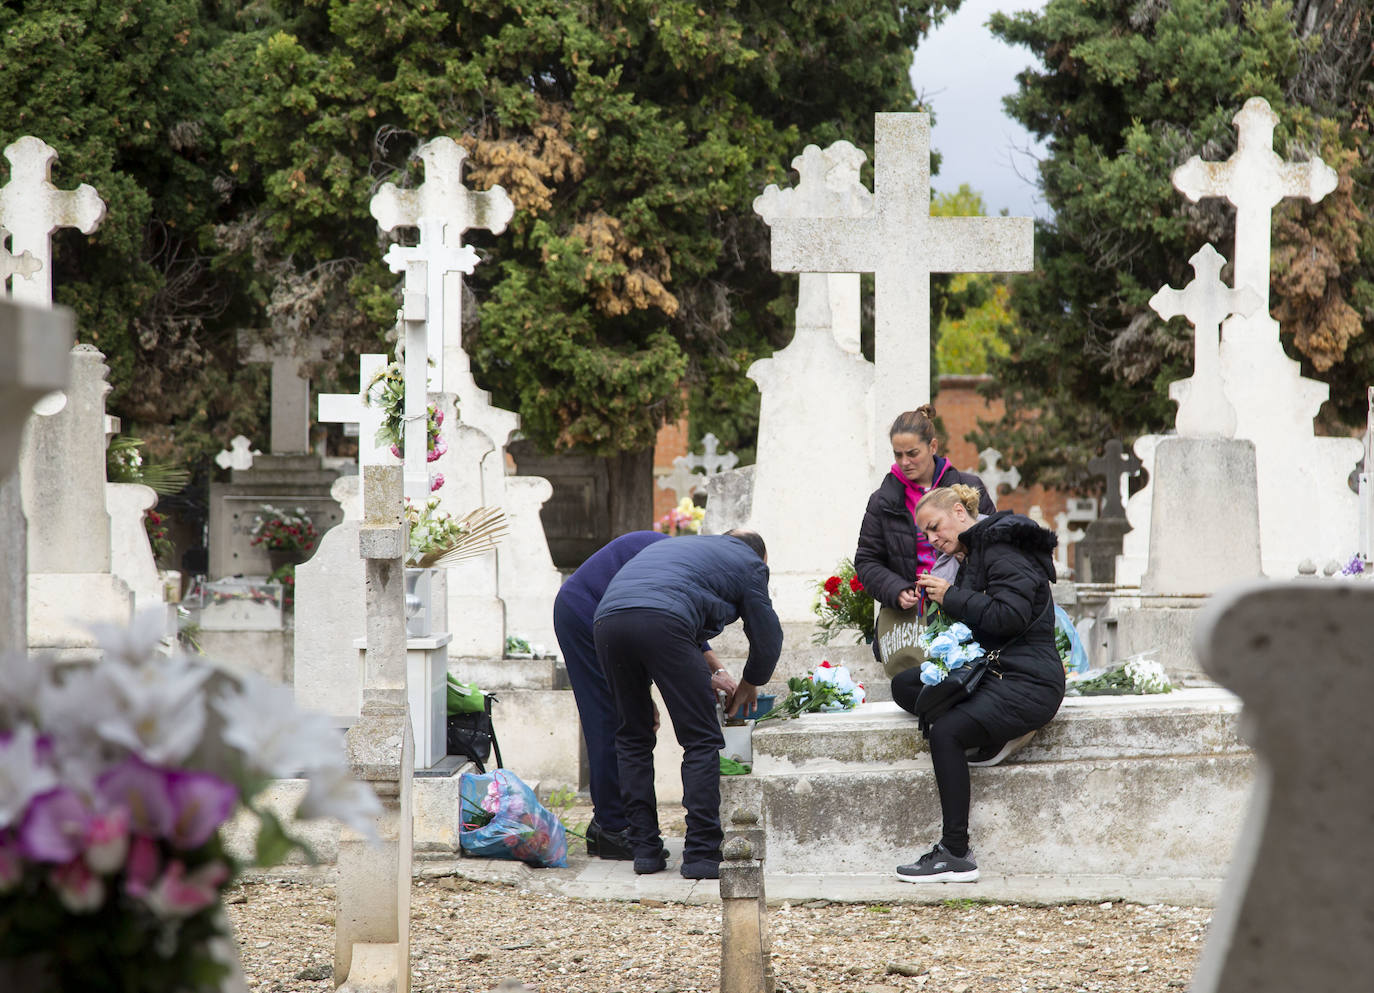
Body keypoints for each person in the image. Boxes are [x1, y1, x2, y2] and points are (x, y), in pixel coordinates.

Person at [892, 484, 1065, 883]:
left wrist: (951, 596)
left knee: (946, 732)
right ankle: (987, 731)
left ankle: (955, 852)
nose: (933, 540)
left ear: (958, 512)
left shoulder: (1003, 549)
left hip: (1029, 681)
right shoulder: (973, 554)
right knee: (905, 686)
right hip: (994, 668)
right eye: (927, 535)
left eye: (936, 528)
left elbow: (1010, 617)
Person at [593, 529, 781, 880]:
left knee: (633, 737)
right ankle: (700, 853)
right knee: (700, 740)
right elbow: (767, 634)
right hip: (664, 620)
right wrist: (751, 682)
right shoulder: (750, 562)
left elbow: (664, 605)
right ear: (762, 557)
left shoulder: (686, 549)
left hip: (607, 620)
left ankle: (645, 851)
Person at [552, 531, 737, 860]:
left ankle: (609, 824)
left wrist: (715, 670)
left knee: (627, 717)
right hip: (584, 611)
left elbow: (682, 625)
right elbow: (661, 620)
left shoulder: (688, 560)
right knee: (613, 720)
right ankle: (613, 826)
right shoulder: (679, 555)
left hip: (618, 618)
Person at [855, 406, 995, 624]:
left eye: (912, 454)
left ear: (933, 446)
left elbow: (995, 544)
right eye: (897, 454)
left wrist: (966, 560)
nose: (904, 462)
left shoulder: (969, 486)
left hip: (966, 611)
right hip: (908, 621)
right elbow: (867, 560)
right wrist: (895, 589)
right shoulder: (881, 500)